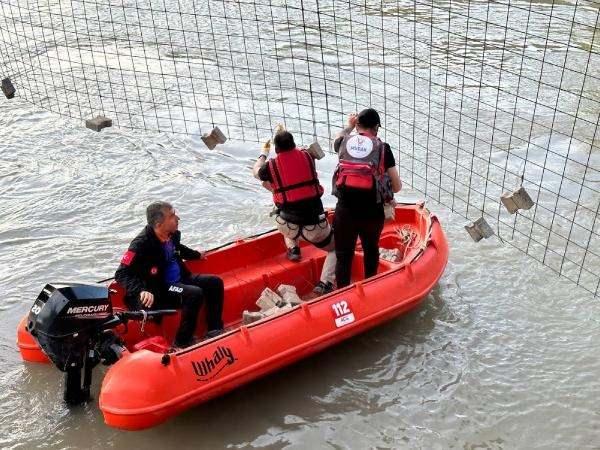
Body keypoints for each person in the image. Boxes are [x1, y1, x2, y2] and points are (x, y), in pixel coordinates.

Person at [115, 201, 224, 348]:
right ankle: (182, 342)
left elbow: (178, 248)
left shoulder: (171, 235)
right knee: (194, 293)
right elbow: (121, 273)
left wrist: (196, 255)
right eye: (172, 216)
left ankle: (215, 329)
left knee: (215, 282)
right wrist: (141, 290)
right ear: (159, 224)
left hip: (181, 278)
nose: (178, 218)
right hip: (163, 287)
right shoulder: (140, 244)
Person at [253, 130, 337, 295]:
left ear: (276, 150)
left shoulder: (270, 167)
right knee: (338, 247)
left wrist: (263, 154)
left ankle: (293, 249)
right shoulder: (307, 157)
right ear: (293, 144)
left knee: (278, 203)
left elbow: (256, 172)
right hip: (315, 229)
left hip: (287, 226)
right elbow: (306, 152)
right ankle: (325, 283)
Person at [332, 108, 402, 288]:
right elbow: (397, 186)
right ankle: (370, 290)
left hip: (344, 211)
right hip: (371, 212)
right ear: (376, 127)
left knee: (343, 256)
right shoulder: (383, 148)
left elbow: (336, 138)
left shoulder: (343, 142)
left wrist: (348, 126)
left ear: (357, 125)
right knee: (371, 251)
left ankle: (343, 295)